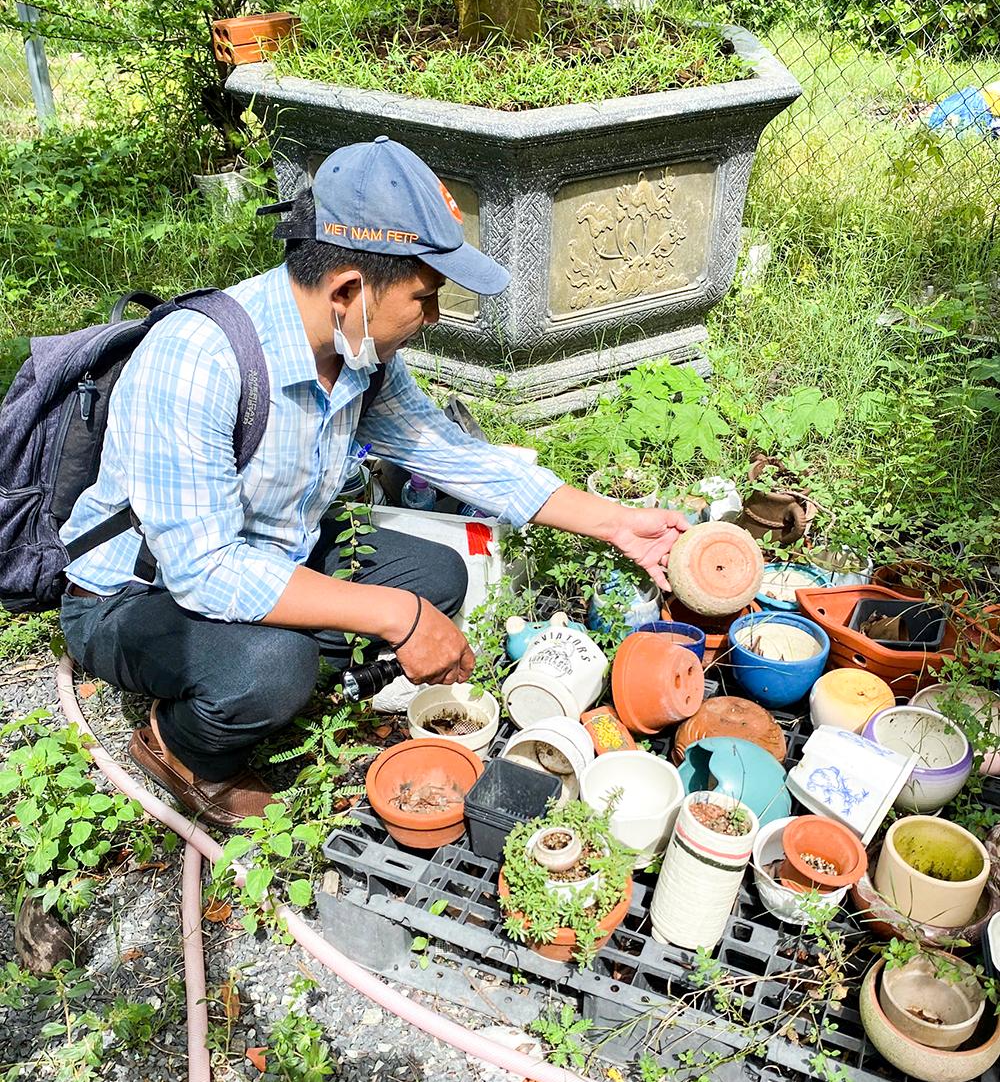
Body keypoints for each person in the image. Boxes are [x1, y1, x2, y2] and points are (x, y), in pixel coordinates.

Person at [58, 137, 689, 829]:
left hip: (273, 549)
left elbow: (451, 453)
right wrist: (400, 618)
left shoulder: (357, 352)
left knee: (436, 576)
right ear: (349, 290)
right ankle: (182, 748)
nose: (435, 317)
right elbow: (206, 573)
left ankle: (296, 677)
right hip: (135, 595)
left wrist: (616, 521)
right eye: (425, 297)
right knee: (273, 666)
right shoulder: (198, 362)